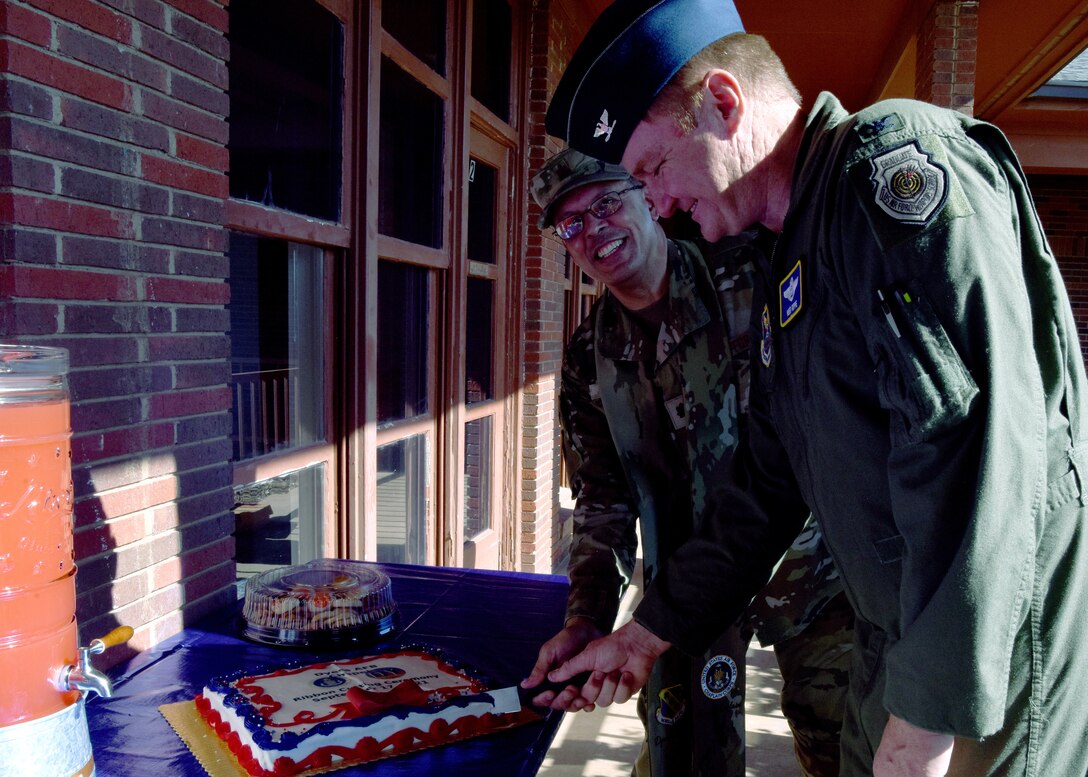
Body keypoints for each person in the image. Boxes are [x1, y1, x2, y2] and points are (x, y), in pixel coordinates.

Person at [539, 1, 1088, 776]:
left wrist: (923, 728)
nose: (656, 203)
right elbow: (766, 485)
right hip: (894, 650)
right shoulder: (792, 260)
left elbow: (981, 462)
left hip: (985, 674)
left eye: (653, 170)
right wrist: (645, 632)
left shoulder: (888, 171)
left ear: (722, 106)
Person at [522, 147, 853, 777]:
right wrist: (588, 615)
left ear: (647, 196)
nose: (594, 231)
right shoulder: (590, 356)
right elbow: (602, 501)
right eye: (571, 224)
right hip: (683, 595)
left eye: (606, 204)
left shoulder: (752, 281)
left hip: (807, 577)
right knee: (683, 755)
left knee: (840, 743)